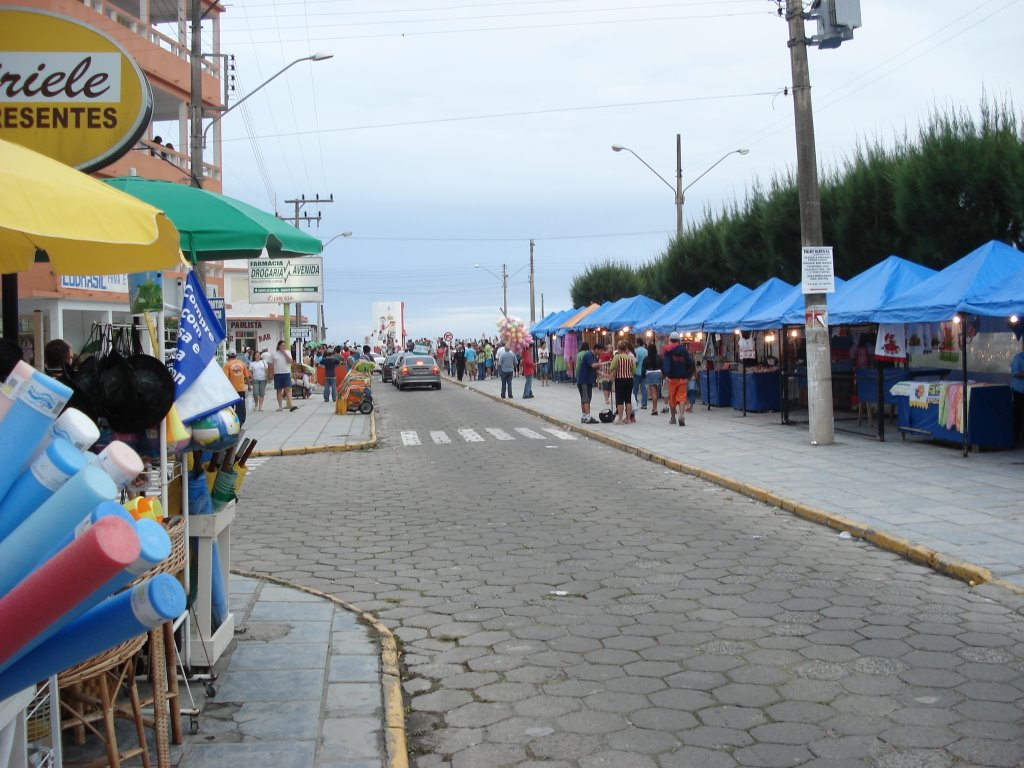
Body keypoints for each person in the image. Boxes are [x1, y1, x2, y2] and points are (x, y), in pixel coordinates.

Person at [662, 331, 695, 426]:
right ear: (679, 340)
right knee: (682, 397)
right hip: (683, 378)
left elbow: (666, 364)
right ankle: (681, 415)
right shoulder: (684, 350)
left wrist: (666, 374)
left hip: (672, 378)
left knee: (672, 398)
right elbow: (690, 362)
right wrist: (687, 373)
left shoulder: (667, 350)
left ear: (670, 340)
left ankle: (673, 418)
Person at [609, 340, 637, 424]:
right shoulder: (630, 358)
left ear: (619, 349)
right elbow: (634, 371)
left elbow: (611, 368)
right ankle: (628, 419)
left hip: (620, 379)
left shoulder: (617, 357)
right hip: (629, 379)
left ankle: (620, 419)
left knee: (620, 399)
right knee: (628, 399)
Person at [222, 350, 251, 425]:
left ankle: (232, 421)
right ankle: (241, 421)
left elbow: (225, 378)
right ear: (236, 355)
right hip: (241, 389)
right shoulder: (242, 363)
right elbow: (247, 376)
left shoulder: (227, 365)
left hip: (231, 390)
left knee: (231, 407)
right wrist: (249, 386)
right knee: (241, 406)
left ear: (228, 356)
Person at [575, 342, 600, 424]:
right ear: (596, 349)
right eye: (601, 350)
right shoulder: (588, 355)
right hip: (583, 380)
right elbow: (593, 365)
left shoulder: (594, 357)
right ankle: (588, 417)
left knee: (585, 398)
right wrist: (603, 363)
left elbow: (596, 370)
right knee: (586, 399)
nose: (601, 352)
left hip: (588, 380)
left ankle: (584, 416)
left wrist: (606, 375)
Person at [270, 340, 293, 412]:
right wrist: (270, 373)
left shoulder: (288, 352)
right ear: (278, 346)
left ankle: (291, 405)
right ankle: (280, 406)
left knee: (288, 389)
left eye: (284, 345)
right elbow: (271, 364)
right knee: (279, 390)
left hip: (286, 373)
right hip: (277, 373)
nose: (283, 346)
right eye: (282, 345)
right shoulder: (274, 353)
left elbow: (290, 361)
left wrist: (285, 353)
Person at [645, 341, 663, 416]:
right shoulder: (659, 357)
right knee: (657, 391)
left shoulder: (647, 358)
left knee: (653, 393)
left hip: (650, 373)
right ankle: (654, 408)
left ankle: (654, 408)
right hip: (658, 373)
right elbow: (662, 365)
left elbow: (644, 366)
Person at [1012, 338, 1024, 442]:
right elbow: (1015, 373)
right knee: (1018, 415)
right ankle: (1015, 438)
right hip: (1019, 391)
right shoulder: (1018, 358)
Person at [633, 338, 648, 409]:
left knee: (635, 387)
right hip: (645, 371)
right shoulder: (646, 351)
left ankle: (634, 401)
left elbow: (636, 361)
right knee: (644, 387)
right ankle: (644, 403)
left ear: (638, 343)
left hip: (637, 371)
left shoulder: (637, 351)